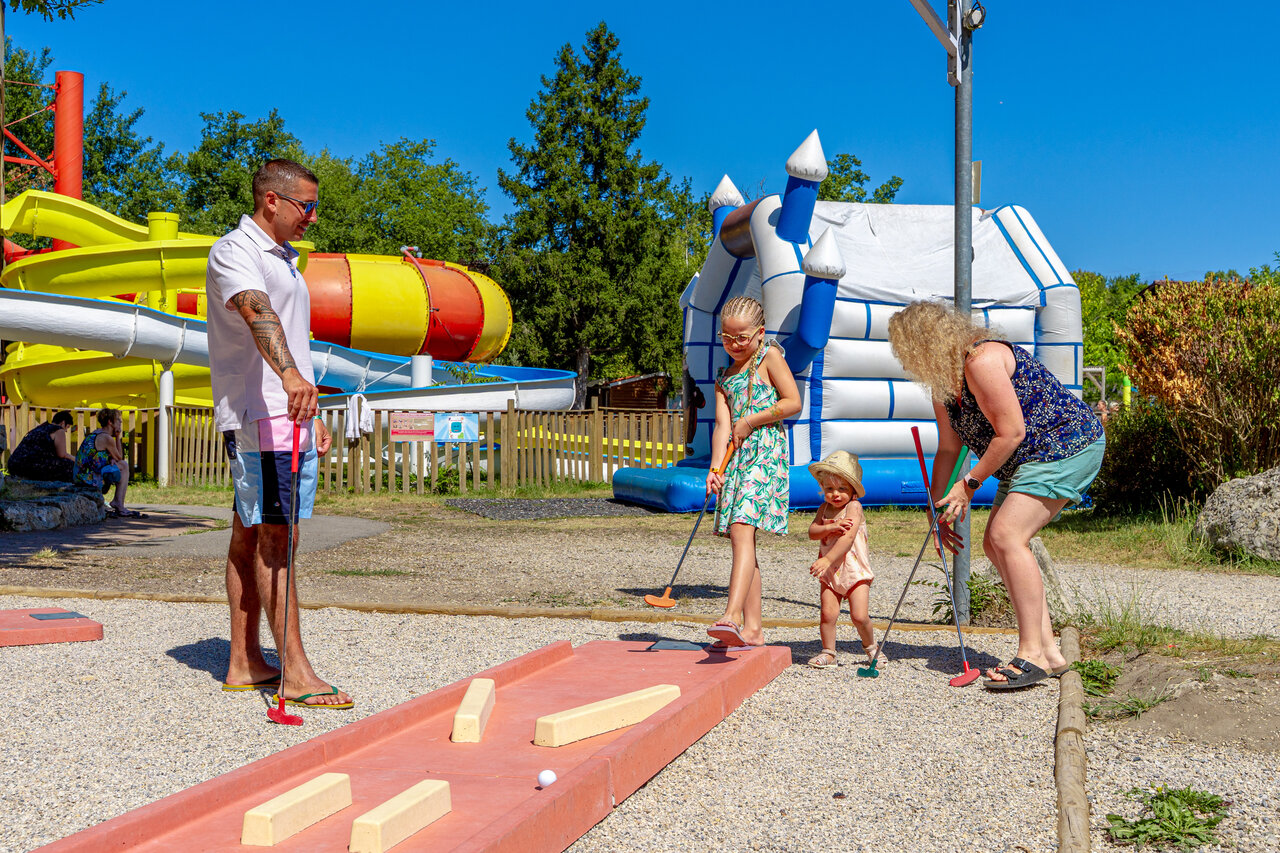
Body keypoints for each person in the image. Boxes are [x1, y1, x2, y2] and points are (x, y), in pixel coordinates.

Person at [887, 300, 1105, 691]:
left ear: (926, 343)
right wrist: (936, 507)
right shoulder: (944, 386)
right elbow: (949, 449)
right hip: (1025, 459)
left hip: (1065, 446)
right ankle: (1050, 652)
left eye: (906, 350)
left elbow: (1012, 432)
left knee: (1007, 536)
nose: (906, 361)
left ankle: (1032, 654)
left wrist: (968, 484)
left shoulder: (982, 360)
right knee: (994, 544)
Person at [205, 158, 349, 709]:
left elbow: (293, 336)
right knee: (277, 537)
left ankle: (245, 662)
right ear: (272, 200)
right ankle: (296, 671)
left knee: (250, 533)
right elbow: (255, 309)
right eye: (306, 206)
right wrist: (289, 377)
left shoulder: (286, 259)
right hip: (261, 416)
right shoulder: (236, 250)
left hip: (286, 417)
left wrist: (310, 409)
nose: (312, 216)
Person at [705, 296, 802, 648]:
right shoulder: (723, 377)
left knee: (741, 530)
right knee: (741, 538)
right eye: (727, 337)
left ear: (760, 333)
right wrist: (715, 467)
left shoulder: (769, 357)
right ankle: (753, 629)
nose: (734, 344)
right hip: (737, 460)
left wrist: (751, 420)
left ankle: (731, 616)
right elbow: (722, 426)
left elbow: (793, 402)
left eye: (741, 337)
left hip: (765, 454)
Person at [805, 451, 880, 668]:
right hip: (830, 572)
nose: (835, 494)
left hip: (854, 569)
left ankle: (872, 648)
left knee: (859, 616)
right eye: (829, 489)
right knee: (827, 614)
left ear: (853, 490)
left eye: (842, 489)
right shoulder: (824, 509)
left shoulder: (853, 507)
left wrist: (827, 559)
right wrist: (830, 527)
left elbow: (847, 538)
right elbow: (812, 532)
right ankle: (828, 652)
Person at [73, 407, 139, 517]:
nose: (120, 422)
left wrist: (111, 458)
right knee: (124, 465)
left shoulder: (96, 433)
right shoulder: (106, 438)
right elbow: (120, 457)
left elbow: (98, 457)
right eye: (118, 420)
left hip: (80, 475)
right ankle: (118, 503)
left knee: (119, 465)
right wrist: (117, 437)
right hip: (87, 478)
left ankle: (117, 502)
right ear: (110, 422)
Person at [7, 410, 75, 482]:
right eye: (67, 427)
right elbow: (62, 454)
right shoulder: (58, 430)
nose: (66, 431)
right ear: (63, 423)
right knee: (70, 464)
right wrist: (77, 460)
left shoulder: (40, 427)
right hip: (29, 466)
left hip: (13, 464)